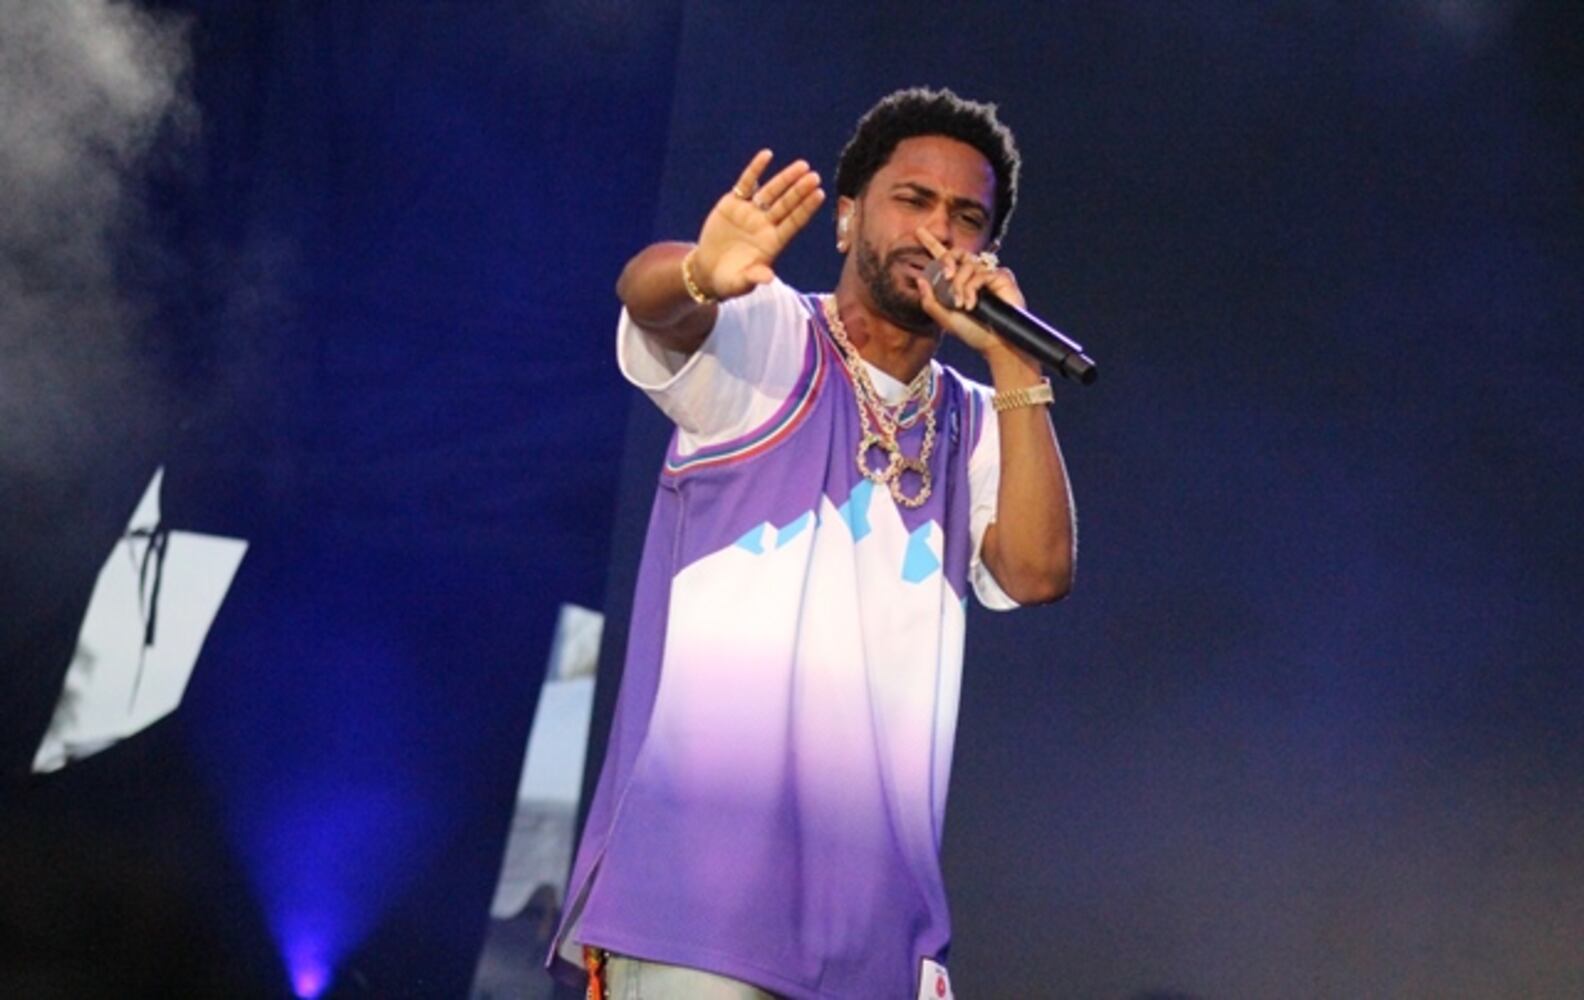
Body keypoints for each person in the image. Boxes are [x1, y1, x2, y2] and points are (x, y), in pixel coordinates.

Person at [550, 87, 1076, 1000]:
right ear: (846, 217)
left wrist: (1013, 357)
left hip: (882, 942)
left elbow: (1037, 572)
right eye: (913, 200)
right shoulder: (770, 335)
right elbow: (647, 297)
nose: (937, 230)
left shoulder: (980, 421)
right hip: (700, 911)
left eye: (967, 217)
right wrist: (700, 273)